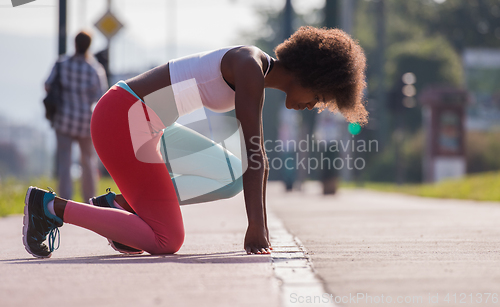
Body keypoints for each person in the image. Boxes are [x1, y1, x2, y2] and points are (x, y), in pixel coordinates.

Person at [23, 26, 368, 258]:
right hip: (122, 118)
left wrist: (258, 225)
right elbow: (256, 153)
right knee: (166, 240)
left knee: (230, 174)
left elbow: (248, 160)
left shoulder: (255, 69)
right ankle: (48, 208)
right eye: (320, 94)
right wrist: (256, 228)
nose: (316, 104)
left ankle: (124, 207)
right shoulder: (250, 66)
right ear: (309, 74)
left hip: (147, 122)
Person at [44, 31, 108, 203]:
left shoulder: (62, 64)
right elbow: (101, 96)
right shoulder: (95, 69)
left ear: (75, 43)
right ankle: (90, 201)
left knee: (64, 162)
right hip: (86, 122)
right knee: (88, 162)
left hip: (63, 119)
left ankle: (65, 202)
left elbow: (48, 85)